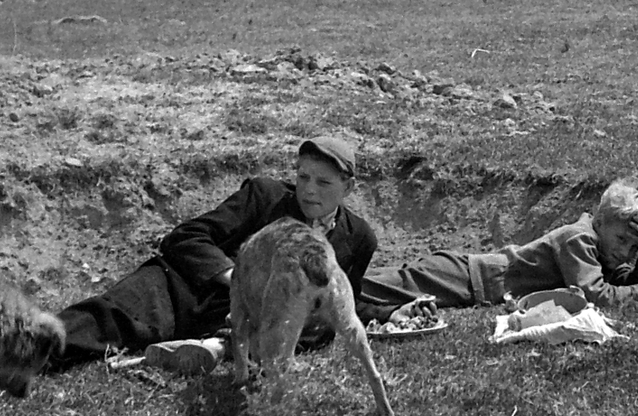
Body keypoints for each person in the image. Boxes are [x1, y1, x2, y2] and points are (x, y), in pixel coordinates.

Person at [52, 136, 424, 372]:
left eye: (323, 182)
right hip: (183, 289)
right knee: (100, 323)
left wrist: (393, 313)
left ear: (349, 187)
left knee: (314, 325)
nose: (309, 190)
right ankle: (10, 350)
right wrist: (238, 279)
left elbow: (345, 299)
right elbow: (187, 237)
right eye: (303, 177)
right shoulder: (264, 196)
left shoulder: (359, 238)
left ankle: (215, 348)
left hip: (244, 321)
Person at [359, 180, 638, 315]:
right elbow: (597, 296)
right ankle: (321, 285)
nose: (625, 253)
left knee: (383, 293)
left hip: (472, 285)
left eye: (634, 247)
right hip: (467, 276)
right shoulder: (579, 239)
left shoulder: (603, 247)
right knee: (379, 286)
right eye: (623, 240)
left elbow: (622, 280)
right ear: (600, 222)